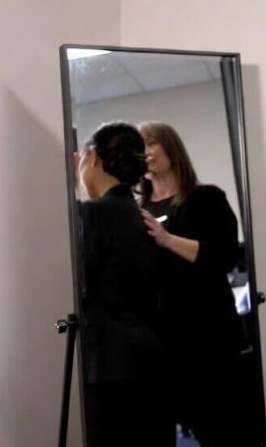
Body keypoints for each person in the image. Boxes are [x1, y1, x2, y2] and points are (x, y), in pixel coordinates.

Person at [137, 121, 258, 446]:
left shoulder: (207, 199)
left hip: (209, 338)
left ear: (170, 147)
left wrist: (166, 239)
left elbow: (224, 256)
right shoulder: (139, 211)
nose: (144, 153)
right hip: (165, 343)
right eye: (139, 148)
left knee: (223, 430)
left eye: (150, 143)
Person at [75, 121, 169, 447]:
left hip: (108, 368)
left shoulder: (90, 215)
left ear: (93, 157)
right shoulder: (145, 218)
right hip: (152, 363)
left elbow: (80, 286)